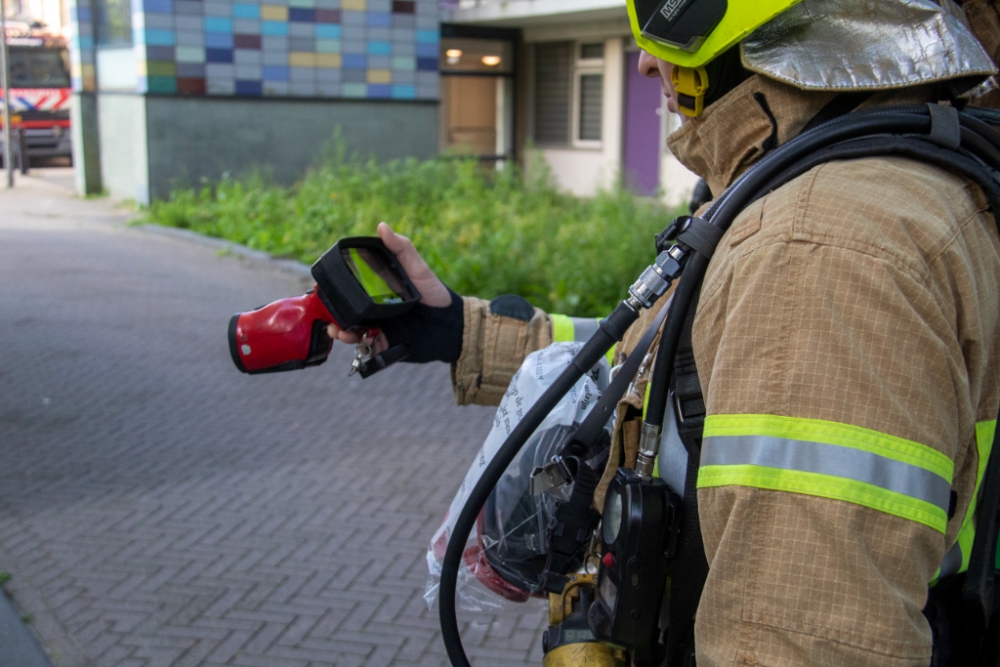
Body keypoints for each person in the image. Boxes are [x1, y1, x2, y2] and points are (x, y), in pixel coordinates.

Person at [332, 1, 1000, 664]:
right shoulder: (842, 179)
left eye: (663, 21)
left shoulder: (816, 246)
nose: (648, 63)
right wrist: (460, 332)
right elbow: (660, 359)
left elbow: (798, 645)